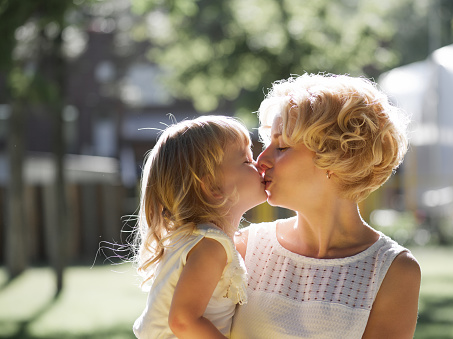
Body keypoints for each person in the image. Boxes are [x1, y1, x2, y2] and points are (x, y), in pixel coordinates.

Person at [230, 73, 421, 338]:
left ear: (336, 156)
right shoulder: (242, 248)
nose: (261, 159)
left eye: (282, 146)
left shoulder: (393, 271)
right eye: (267, 144)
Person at [132, 115, 267, 338]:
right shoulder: (211, 246)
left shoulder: (192, 239)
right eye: (246, 161)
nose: (258, 164)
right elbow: (183, 321)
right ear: (213, 187)